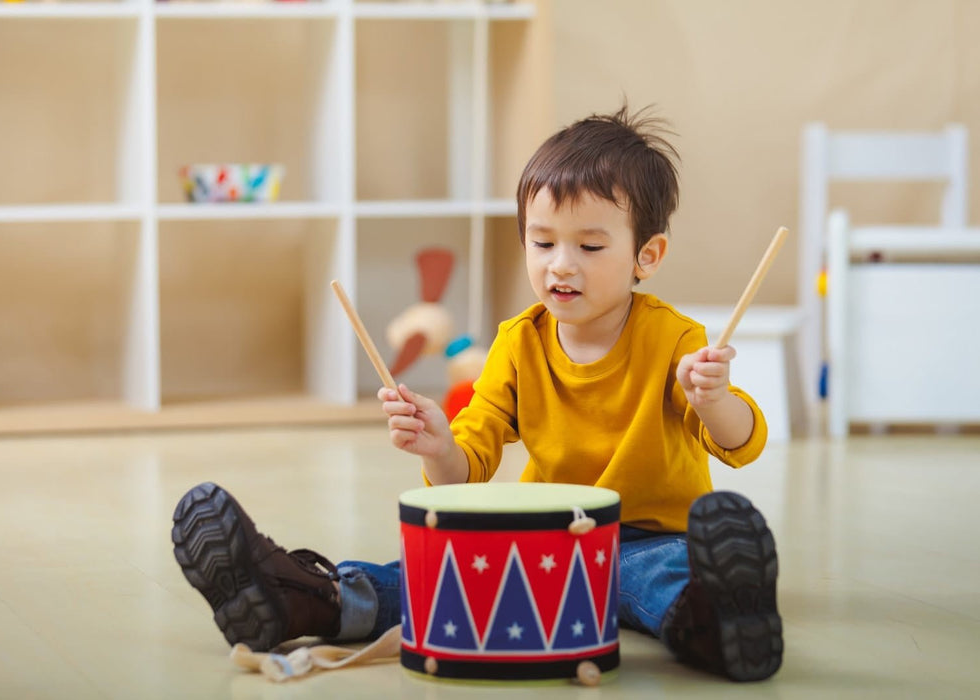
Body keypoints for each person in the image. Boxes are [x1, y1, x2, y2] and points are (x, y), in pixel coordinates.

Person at [171, 105, 782, 682]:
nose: (560, 265)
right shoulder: (518, 343)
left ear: (646, 256)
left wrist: (713, 400)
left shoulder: (676, 337)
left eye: (590, 247)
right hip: (551, 536)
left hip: (651, 537)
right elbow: (469, 470)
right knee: (442, 573)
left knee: (660, 575)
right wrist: (439, 445)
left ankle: (720, 619)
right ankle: (303, 599)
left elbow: (740, 443)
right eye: (542, 243)